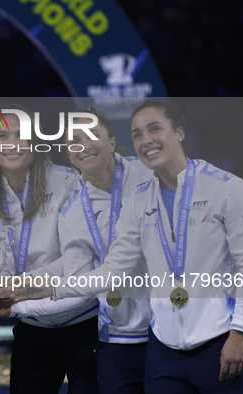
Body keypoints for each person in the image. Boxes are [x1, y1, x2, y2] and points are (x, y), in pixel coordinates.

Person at [7, 100, 243, 393]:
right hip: (165, 348)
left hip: (223, 338)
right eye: (138, 135)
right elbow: (113, 271)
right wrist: (49, 289)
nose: (146, 140)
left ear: (179, 132)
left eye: (154, 129)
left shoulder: (226, 187)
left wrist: (241, 330)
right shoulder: (140, 201)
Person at [26, 107, 153, 393]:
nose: (83, 145)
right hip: (117, 339)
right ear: (69, 154)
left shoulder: (150, 175)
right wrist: (22, 289)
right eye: (74, 140)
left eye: (92, 134)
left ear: (111, 142)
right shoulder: (72, 211)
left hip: (166, 333)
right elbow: (75, 272)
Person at [0, 104, 97, 394]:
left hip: (83, 322)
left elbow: (77, 262)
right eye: (3, 135)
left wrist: (18, 288)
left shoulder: (70, 183)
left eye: (21, 135)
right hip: (31, 327)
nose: (12, 143)